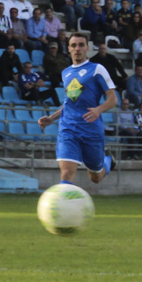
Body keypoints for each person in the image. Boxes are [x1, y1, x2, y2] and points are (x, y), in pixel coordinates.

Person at [38, 33, 117, 185]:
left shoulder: (97, 69)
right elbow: (70, 102)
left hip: (91, 130)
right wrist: (52, 118)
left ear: (87, 48)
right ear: (68, 49)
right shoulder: (66, 73)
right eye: (73, 45)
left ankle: (107, 161)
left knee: (96, 177)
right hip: (68, 129)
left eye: (81, 45)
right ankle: (63, 207)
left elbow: (113, 99)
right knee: (66, 174)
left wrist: (98, 110)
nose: (77, 49)